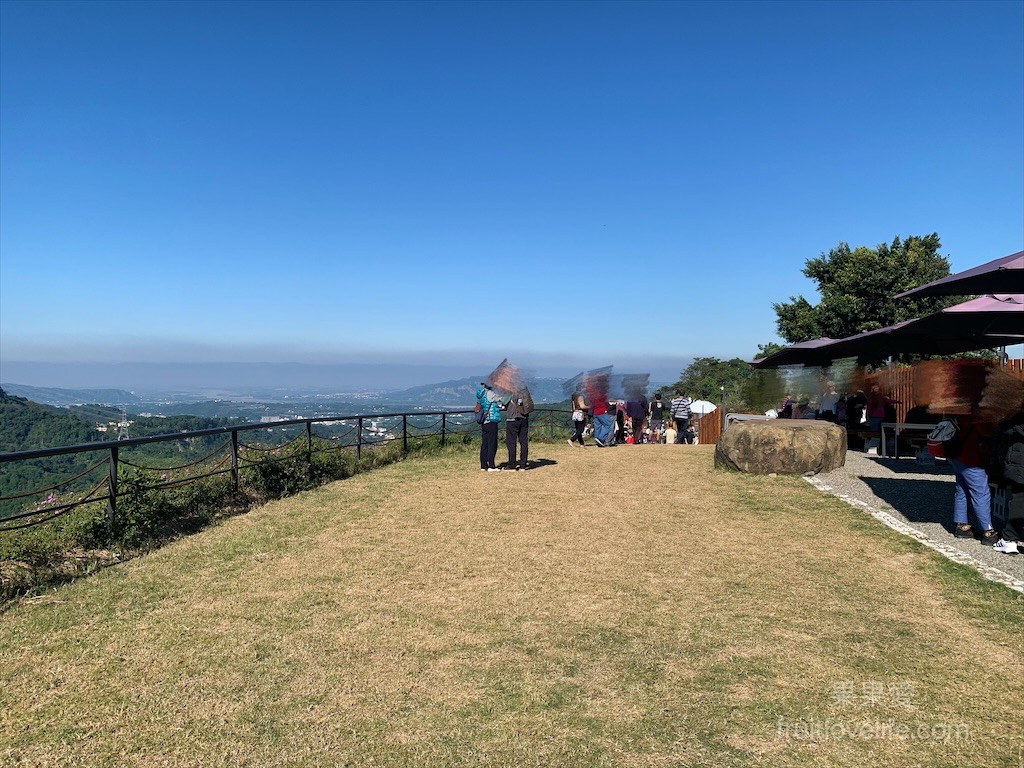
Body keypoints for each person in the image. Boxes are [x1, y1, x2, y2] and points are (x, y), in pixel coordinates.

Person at [948, 413, 999, 546]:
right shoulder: (980, 412)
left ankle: (962, 526)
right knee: (981, 493)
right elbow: (987, 430)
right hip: (972, 457)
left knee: (962, 490)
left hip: (956, 453)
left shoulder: (959, 408)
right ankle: (988, 531)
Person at [990, 411, 1024, 554]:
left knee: (1019, 499)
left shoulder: (1015, 416)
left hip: (1020, 459)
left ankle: (1010, 539)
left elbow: (1003, 431)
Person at [476, 382, 502, 471]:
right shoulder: (490, 394)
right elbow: (499, 399)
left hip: (484, 421)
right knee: (492, 444)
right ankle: (491, 465)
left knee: (485, 444)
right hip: (491, 420)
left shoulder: (481, 394)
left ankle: (483, 465)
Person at [504, 392, 530, 470]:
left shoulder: (510, 393)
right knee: (523, 442)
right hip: (524, 419)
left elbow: (504, 402)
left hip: (512, 419)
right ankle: (523, 464)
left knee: (511, 442)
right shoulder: (524, 393)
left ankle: (512, 464)